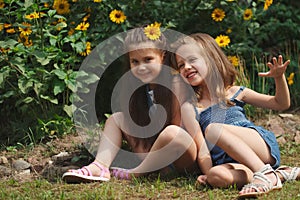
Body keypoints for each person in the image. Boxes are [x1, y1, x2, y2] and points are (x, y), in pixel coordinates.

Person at [62, 26, 200, 183]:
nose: (141, 67)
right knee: (116, 118)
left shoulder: (176, 84)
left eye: (148, 59)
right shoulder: (139, 89)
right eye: (135, 61)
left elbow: (177, 130)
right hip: (153, 156)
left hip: (180, 156)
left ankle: (138, 172)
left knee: (172, 132)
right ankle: (100, 166)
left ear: (162, 56)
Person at [171, 33, 299, 198]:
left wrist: (279, 78)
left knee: (213, 129)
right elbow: (203, 149)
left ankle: (265, 173)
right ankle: (279, 174)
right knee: (216, 176)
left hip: (257, 146)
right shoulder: (191, 108)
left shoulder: (234, 92)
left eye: (192, 60)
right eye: (181, 65)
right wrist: (207, 174)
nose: (186, 67)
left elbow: (280, 104)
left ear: (211, 58)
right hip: (230, 161)